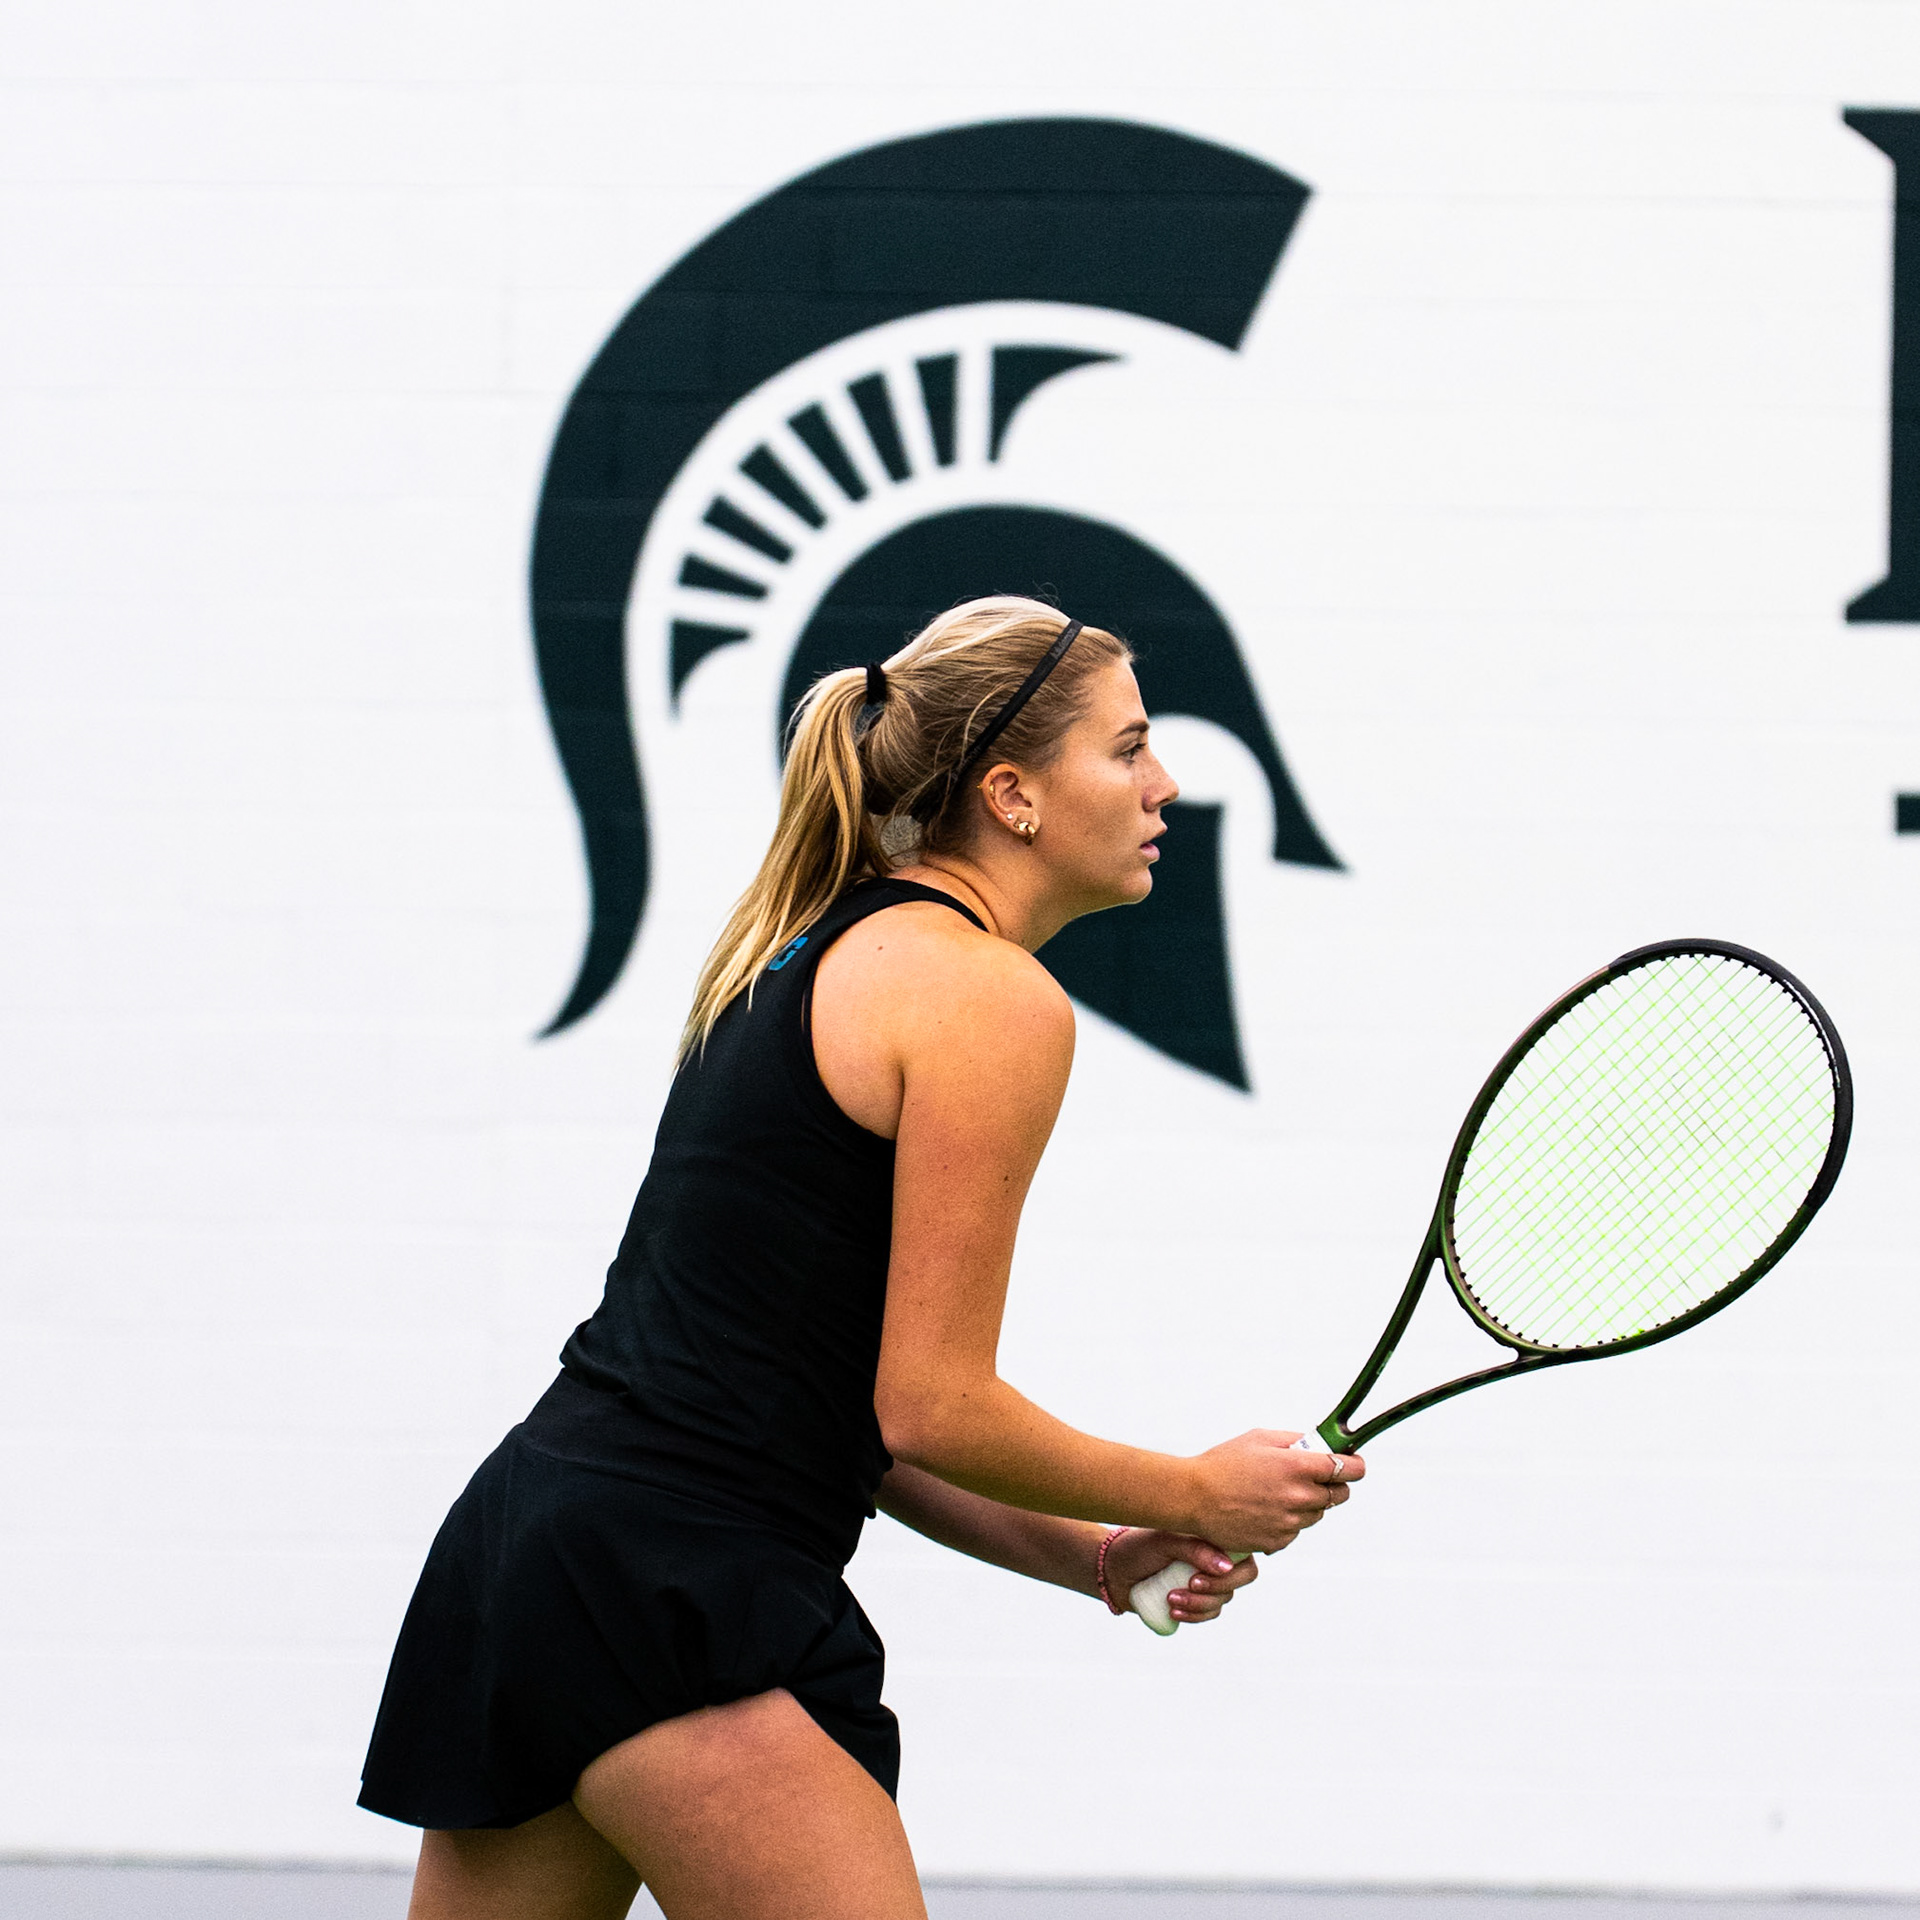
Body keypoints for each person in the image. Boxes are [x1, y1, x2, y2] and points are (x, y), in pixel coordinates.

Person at [359, 596, 1363, 1920]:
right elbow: (931, 1405)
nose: (1164, 782)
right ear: (1011, 794)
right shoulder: (987, 998)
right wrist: (1192, 1488)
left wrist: (1099, 1553)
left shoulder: (820, 947)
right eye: (1127, 748)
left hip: (536, 1554)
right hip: (671, 1591)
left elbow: (848, 1421)